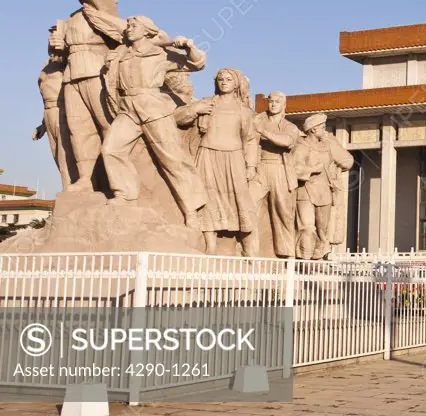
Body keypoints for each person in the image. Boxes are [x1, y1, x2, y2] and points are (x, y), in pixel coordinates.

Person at [101, 16, 207, 227]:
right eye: (128, 26)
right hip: (128, 108)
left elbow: (197, 64)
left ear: (147, 30)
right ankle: (125, 194)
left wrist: (188, 46)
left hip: (154, 108)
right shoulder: (122, 54)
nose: (129, 29)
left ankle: (192, 209)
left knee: (172, 159)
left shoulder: (160, 53)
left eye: (134, 26)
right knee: (111, 149)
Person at [58, 0, 124, 191]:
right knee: (78, 128)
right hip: (72, 75)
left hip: (96, 70)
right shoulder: (72, 18)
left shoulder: (103, 10)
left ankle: (115, 180)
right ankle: (85, 179)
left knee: (107, 125)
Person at [179, 68, 260, 255]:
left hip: (234, 157)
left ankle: (247, 246)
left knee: (241, 198)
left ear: (236, 83)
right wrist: (194, 109)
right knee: (208, 199)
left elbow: (250, 140)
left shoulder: (243, 110)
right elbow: (179, 118)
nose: (224, 82)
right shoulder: (207, 103)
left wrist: (251, 165)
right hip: (208, 155)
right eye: (221, 79)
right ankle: (211, 245)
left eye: (229, 79)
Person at [293, 113, 354, 260]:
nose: (324, 130)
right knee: (307, 227)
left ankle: (318, 259)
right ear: (313, 129)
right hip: (305, 192)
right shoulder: (301, 146)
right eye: (322, 127)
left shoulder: (327, 145)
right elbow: (293, 168)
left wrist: (331, 142)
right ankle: (303, 259)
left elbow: (347, 161)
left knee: (322, 231)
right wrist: (312, 169)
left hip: (324, 193)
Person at [251, 91, 302, 257]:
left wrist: (264, 132)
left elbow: (287, 141)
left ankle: (286, 255)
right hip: (260, 168)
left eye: (277, 102)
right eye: (271, 101)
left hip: (280, 169)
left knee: (284, 212)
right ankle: (250, 251)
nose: (273, 104)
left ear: (284, 105)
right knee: (249, 205)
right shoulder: (257, 120)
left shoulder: (289, 126)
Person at [32, 23, 72, 188]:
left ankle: (70, 189)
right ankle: (67, 186)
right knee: (56, 153)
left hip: (64, 111)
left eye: (56, 35)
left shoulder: (68, 64)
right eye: (50, 36)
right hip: (49, 112)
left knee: (65, 153)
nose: (51, 39)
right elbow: (45, 96)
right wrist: (42, 125)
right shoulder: (46, 66)